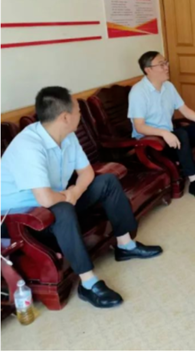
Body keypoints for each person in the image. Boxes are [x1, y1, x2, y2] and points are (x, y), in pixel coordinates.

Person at [1, 87, 163, 308]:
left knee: (107, 182)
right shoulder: (29, 145)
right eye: (78, 110)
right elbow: (45, 199)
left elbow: (86, 172)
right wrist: (68, 196)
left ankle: (125, 245)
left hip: (56, 201)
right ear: (65, 117)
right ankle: (88, 283)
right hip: (20, 219)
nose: (81, 114)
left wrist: (75, 192)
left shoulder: (67, 136)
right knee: (63, 209)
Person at [128, 51, 195, 200]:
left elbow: (184, 110)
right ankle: (194, 182)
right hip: (151, 140)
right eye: (161, 65)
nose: (166, 67)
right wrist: (164, 133)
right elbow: (139, 127)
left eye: (166, 63)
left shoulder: (168, 86)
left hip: (169, 134)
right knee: (182, 134)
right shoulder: (138, 92)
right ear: (148, 70)